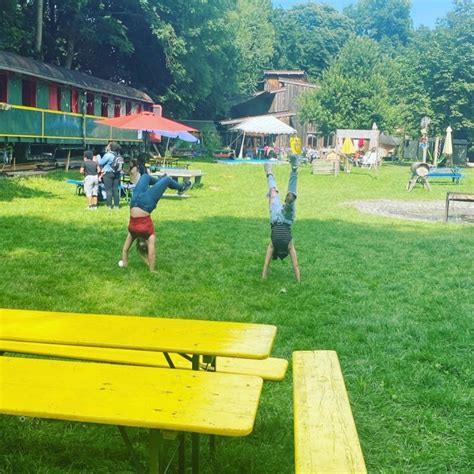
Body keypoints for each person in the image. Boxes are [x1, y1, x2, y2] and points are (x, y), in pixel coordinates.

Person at [119, 174, 192, 272]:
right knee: (166, 180)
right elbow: (127, 251)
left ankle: (161, 183)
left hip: (135, 201)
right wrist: (151, 271)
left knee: (146, 176)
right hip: (145, 203)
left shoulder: (136, 233)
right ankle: (181, 188)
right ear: (146, 243)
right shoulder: (144, 234)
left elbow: (125, 250)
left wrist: (125, 265)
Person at [262, 155, 301, 282]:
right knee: (277, 193)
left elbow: (295, 264)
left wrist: (264, 277)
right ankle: (293, 169)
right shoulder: (278, 245)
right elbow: (266, 264)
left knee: (274, 192)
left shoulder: (279, 245)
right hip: (279, 218)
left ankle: (270, 173)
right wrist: (298, 281)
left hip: (279, 217)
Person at [98, 142, 122, 209]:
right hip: (117, 173)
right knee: (115, 189)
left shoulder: (108, 155)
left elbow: (100, 162)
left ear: (111, 147)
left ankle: (109, 205)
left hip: (108, 174)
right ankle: (116, 205)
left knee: (108, 190)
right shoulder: (118, 155)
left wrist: (98, 157)